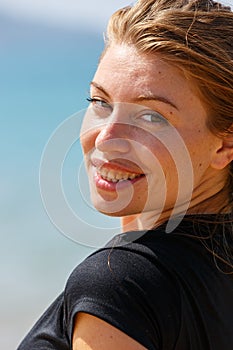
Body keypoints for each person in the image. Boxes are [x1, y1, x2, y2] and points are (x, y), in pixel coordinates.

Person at [17, 0, 233, 349]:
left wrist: (127, 264)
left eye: (152, 117)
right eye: (100, 103)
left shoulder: (119, 285)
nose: (106, 139)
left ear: (224, 145)